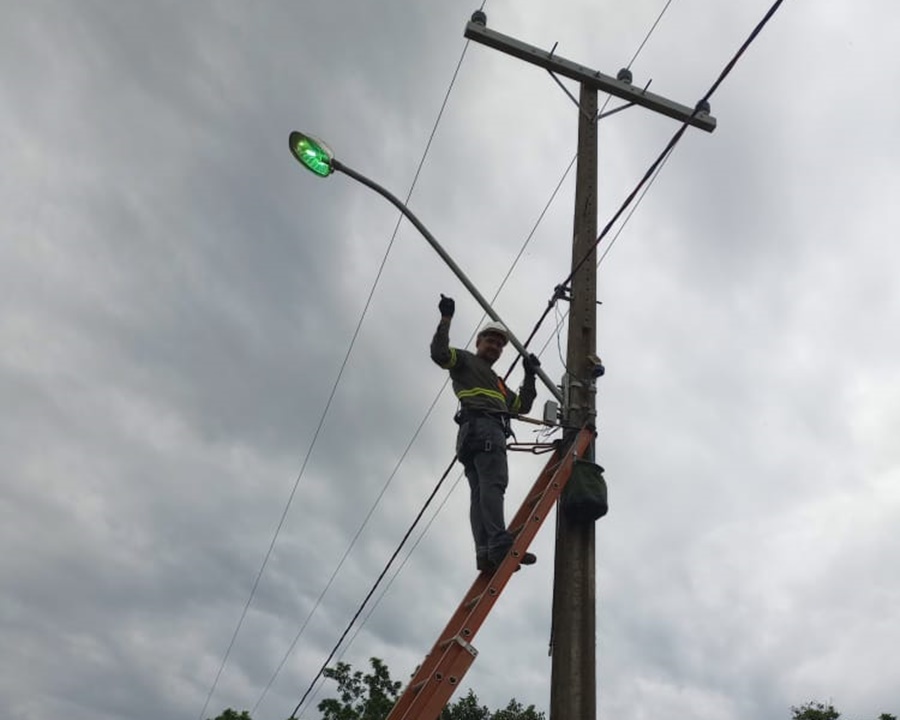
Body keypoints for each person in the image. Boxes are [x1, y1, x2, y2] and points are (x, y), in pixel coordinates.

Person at [430, 294, 541, 573]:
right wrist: (445, 320)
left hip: (472, 435)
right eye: (490, 341)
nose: (495, 346)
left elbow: (523, 405)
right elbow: (440, 354)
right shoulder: (466, 361)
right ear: (478, 343)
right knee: (493, 485)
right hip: (483, 429)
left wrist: (531, 375)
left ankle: (485, 552)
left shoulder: (499, 385)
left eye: (500, 344)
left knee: (481, 493)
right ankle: (500, 545)